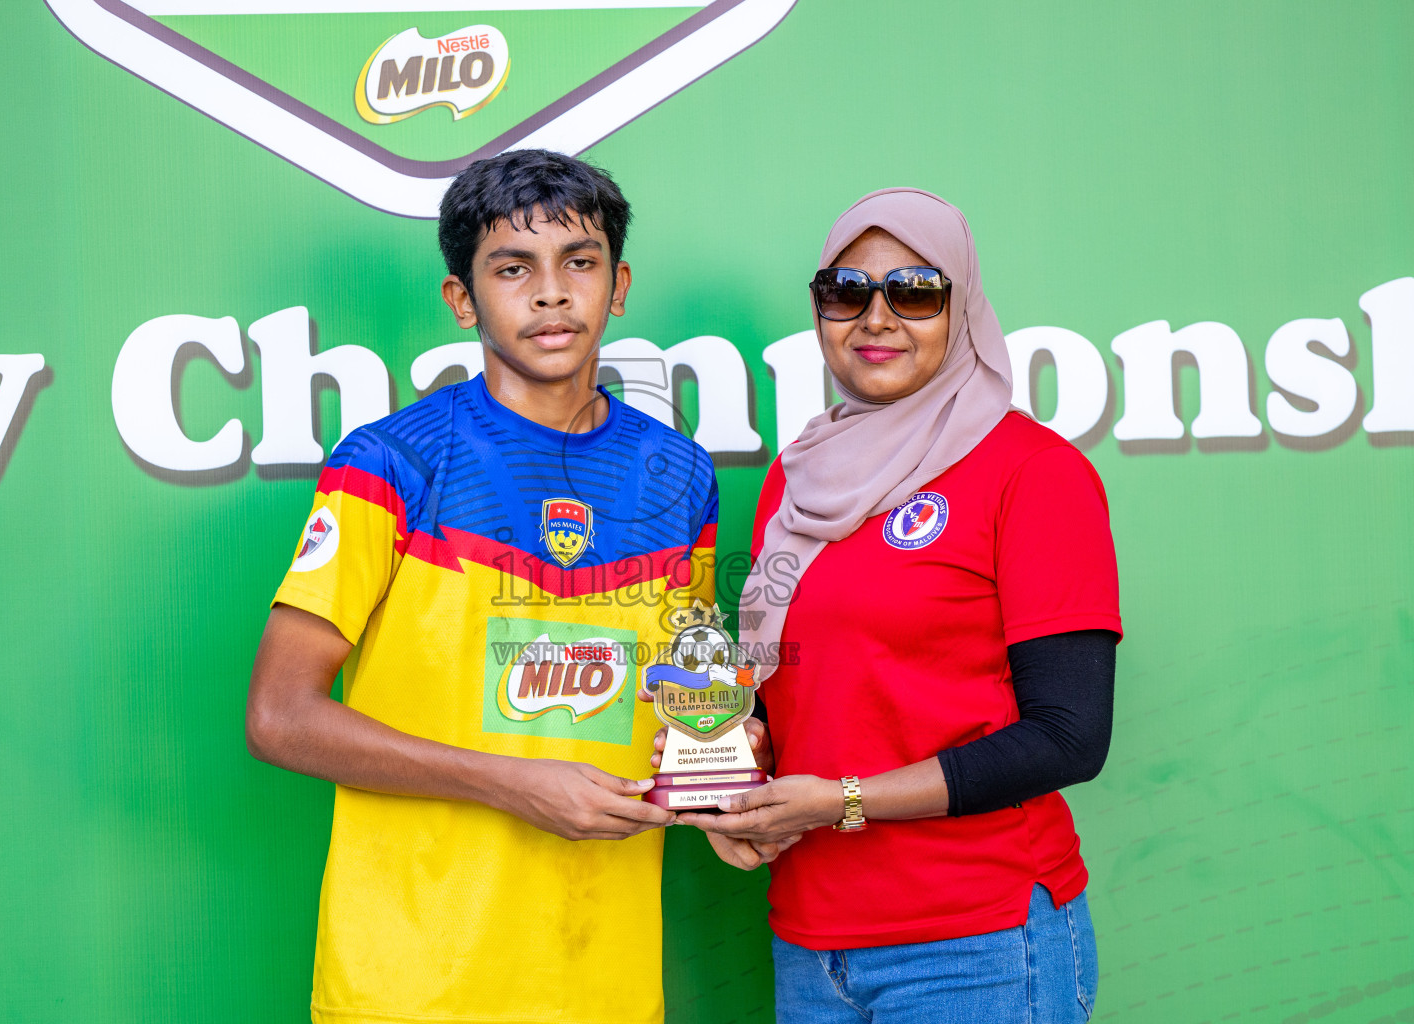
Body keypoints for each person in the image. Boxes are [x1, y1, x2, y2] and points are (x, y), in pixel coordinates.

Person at [246, 149, 718, 1024]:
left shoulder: (678, 475)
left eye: (578, 262)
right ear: (462, 299)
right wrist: (512, 781)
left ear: (616, 285)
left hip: (604, 986)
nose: (550, 293)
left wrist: (723, 775)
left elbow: (688, 705)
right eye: (513, 268)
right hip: (414, 987)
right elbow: (279, 716)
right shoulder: (390, 462)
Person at [677, 189, 1121, 1023]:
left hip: (975, 943)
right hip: (811, 939)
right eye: (846, 292)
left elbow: (1070, 735)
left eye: (915, 292)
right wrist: (728, 790)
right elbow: (792, 692)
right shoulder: (799, 474)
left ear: (961, 309)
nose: (875, 318)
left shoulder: (1032, 472)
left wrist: (843, 800)